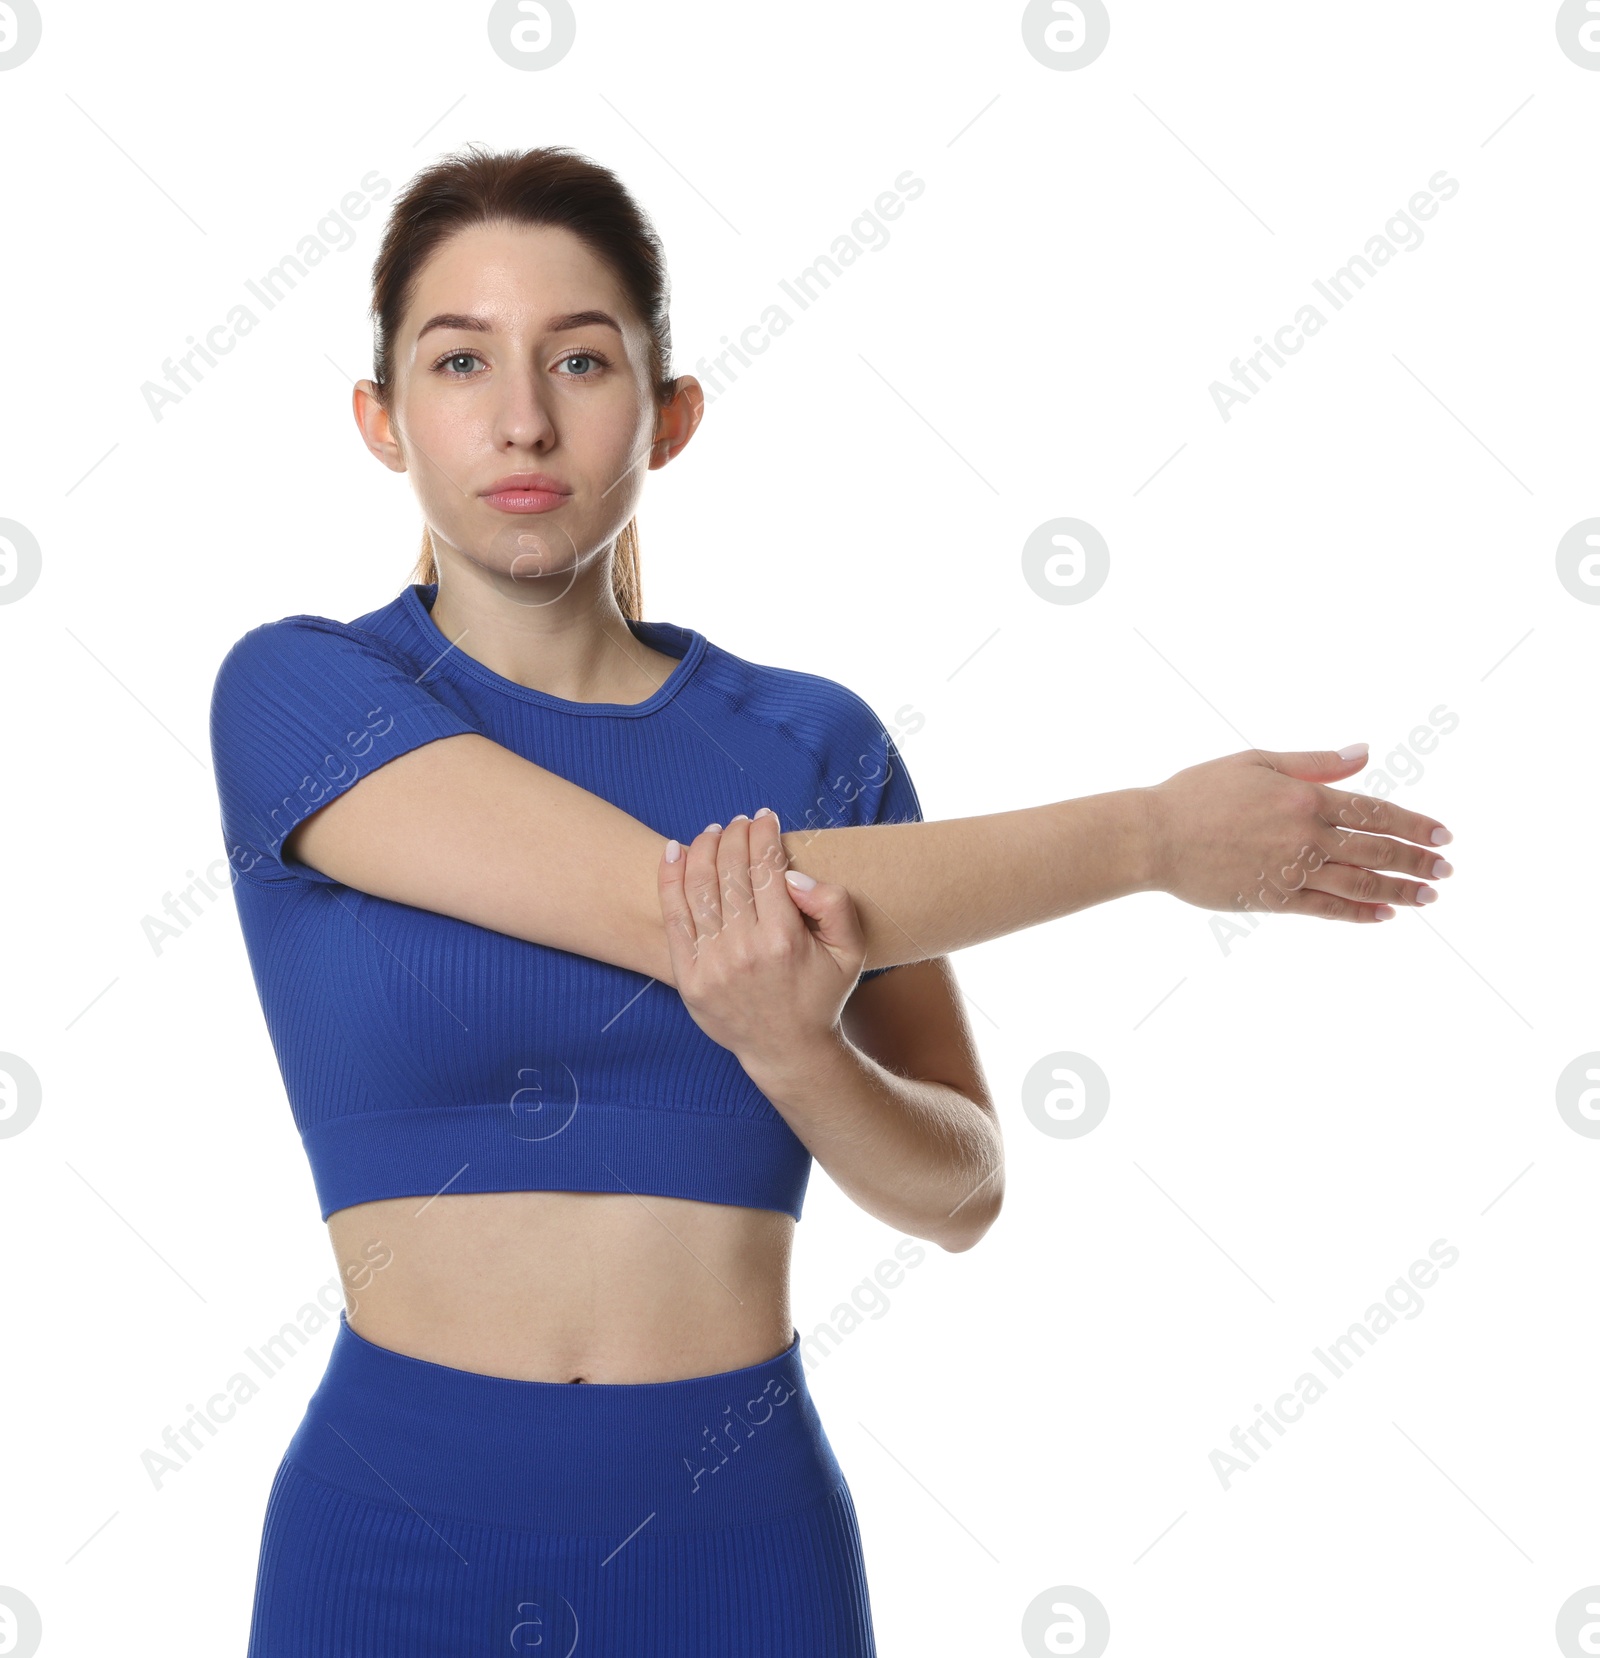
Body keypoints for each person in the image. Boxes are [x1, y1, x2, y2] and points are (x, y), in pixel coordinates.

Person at [209, 143, 1453, 1658]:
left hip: (737, 1547)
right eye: (460, 358)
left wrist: (801, 1054)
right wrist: (1145, 839)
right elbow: (672, 903)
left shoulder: (815, 744)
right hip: (392, 1539)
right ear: (380, 416)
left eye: (582, 359)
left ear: (670, 416)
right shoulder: (299, 695)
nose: (522, 416)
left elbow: (964, 1189)